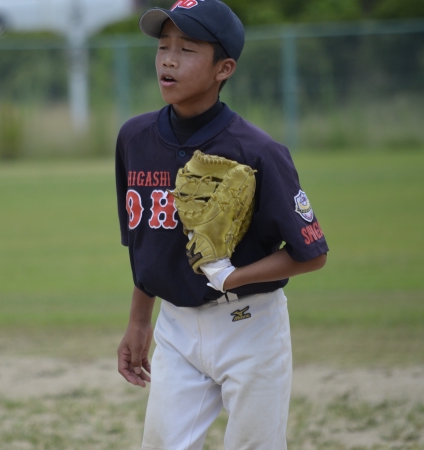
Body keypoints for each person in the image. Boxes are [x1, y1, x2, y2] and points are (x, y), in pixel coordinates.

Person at [114, 1, 329, 449]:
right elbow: (145, 245)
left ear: (223, 68)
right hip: (175, 329)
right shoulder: (135, 139)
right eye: (163, 46)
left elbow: (311, 253)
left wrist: (234, 276)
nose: (169, 60)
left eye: (187, 49)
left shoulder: (258, 151)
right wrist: (139, 321)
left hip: (250, 326)